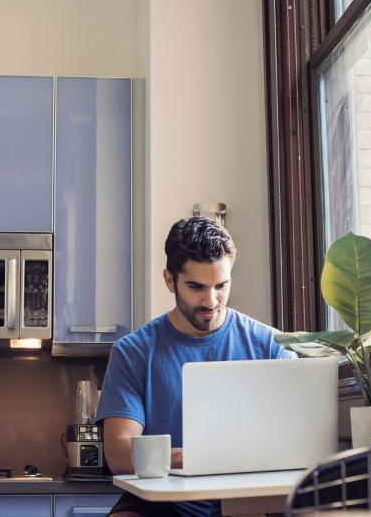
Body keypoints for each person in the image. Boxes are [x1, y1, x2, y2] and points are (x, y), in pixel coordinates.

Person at [96, 217, 293, 517]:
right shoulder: (132, 353)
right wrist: (188, 458)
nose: (211, 301)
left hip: (250, 496)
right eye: (196, 287)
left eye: (221, 285)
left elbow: (292, 438)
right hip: (161, 501)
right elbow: (119, 454)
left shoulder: (270, 345)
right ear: (169, 280)